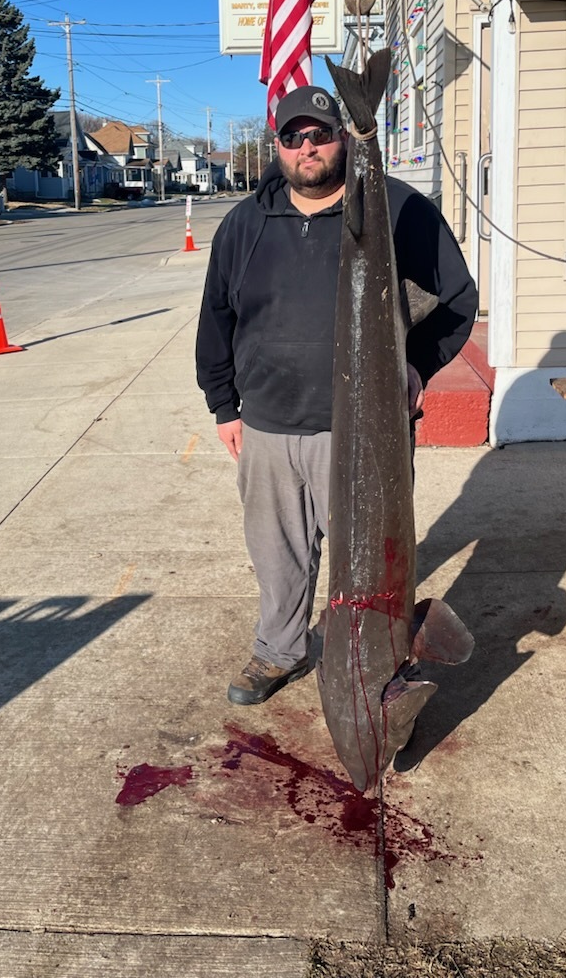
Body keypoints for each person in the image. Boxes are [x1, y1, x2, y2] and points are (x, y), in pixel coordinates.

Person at [195, 84, 478, 706]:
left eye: (320, 134)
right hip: (267, 423)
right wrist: (224, 406)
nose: (307, 147)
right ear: (277, 145)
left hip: (361, 434)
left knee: (372, 566)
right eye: (293, 137)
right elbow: (217, 317)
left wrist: (418, 367)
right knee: (277, 555)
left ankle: (380, 668)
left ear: (343, 139)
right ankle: (279, 651)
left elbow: (456, 301)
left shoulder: (396, 209)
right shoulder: (246, 223)